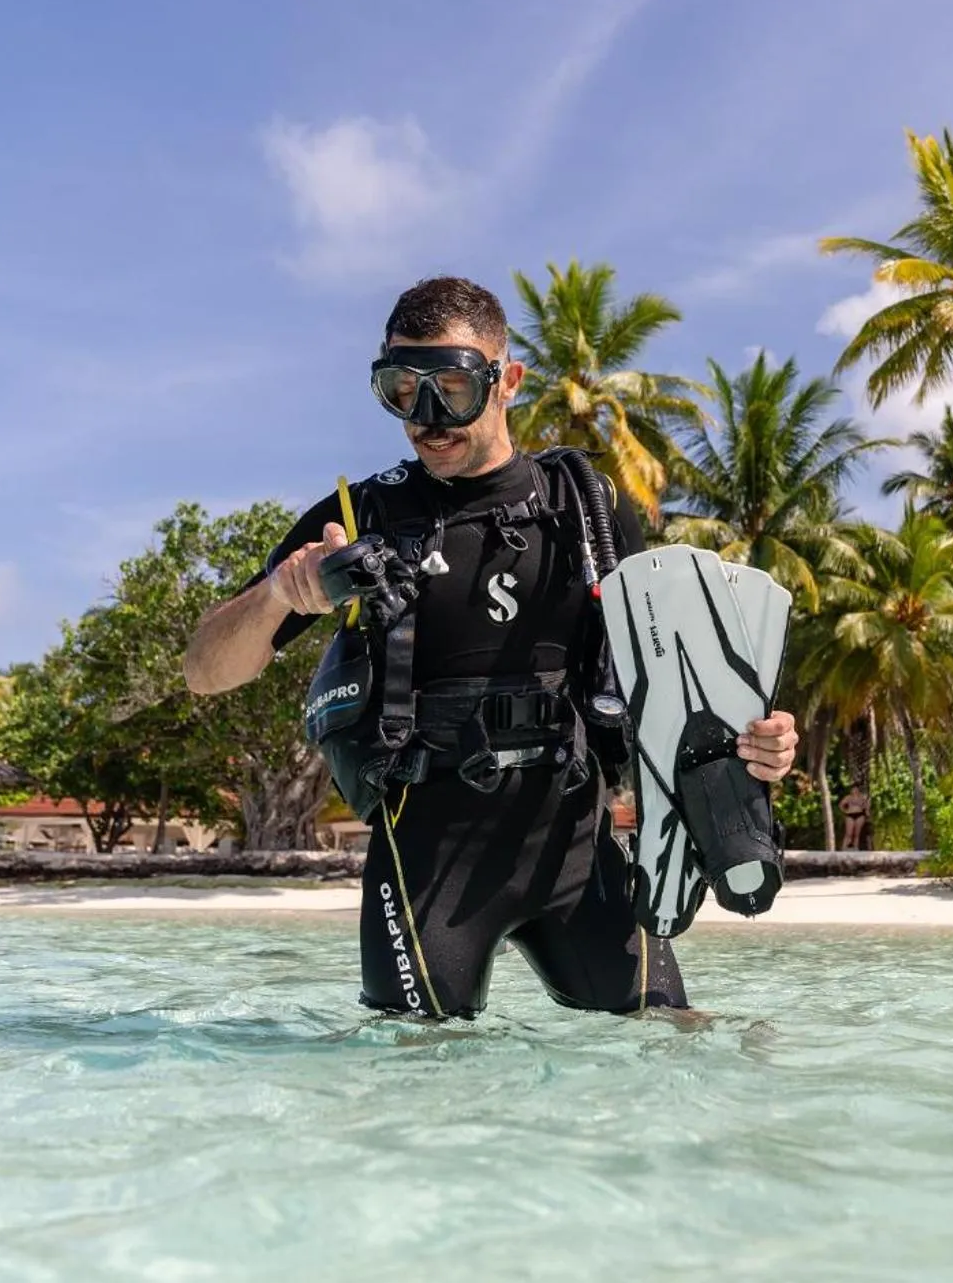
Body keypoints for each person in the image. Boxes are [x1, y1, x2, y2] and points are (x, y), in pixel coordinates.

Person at [183, 276, 798, 1019]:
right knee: (418, 1077)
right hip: (427, 862)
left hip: (574, 847)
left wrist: (761, 745)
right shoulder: (361, 517)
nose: (428, 417)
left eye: (450, 386)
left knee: (679, 1042)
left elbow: (679, 687)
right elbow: (204, 671)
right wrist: (283, 592)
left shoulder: (587, 508)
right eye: (402, 390)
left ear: (506, 381)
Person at [839, 785, 871, 852]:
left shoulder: (862, 797)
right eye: (853, 789)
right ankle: (843, 848)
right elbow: (841, 805)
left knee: (857, 833)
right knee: (849, 833)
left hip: (860, 814)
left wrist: (866, 809)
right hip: (850, 814)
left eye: (856, 789)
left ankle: (855, 848)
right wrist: (845, 811)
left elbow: (866, 806)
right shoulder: (848, 797)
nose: (854, 791)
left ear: (858, 790)